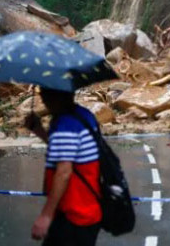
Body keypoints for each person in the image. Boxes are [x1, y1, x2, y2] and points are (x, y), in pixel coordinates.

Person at [25, 88, 102, 246]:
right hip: (89, 208)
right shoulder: (84, 115)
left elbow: (64, 172)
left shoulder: (65, 124)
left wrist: (46, 215)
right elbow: (68, 152)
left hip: (74, 213)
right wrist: (39, 131)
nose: (43, 99)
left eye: (45, 94)